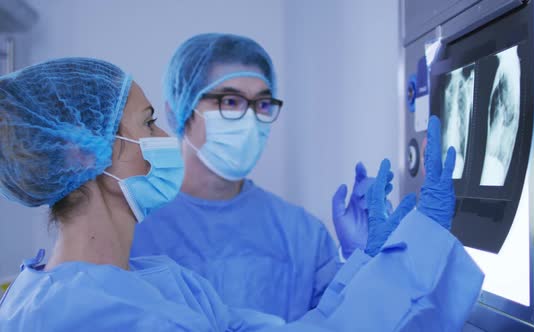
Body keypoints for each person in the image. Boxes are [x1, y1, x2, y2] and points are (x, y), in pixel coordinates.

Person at [0, 57, 483, 331]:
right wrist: (414, 255)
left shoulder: (155, 283)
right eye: (148, 122)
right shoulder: (96, 317)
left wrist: (376, 262)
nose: (163, 137)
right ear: (86, 154)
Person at [131, 33, 380, 321]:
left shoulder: (302, 234)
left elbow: (343, 323)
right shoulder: (135, 226)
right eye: (230, 101)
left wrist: (360, 265)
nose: (250, 120)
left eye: (262, 104)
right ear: (181, 110)